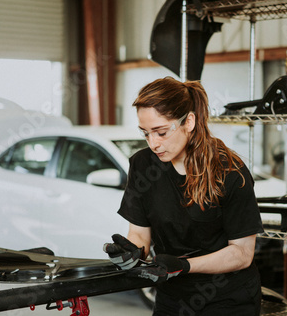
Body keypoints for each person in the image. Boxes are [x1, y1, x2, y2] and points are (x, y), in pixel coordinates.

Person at [104, 76, 264, 315]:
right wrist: (133, 252)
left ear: (189, 121)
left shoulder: (230, 171)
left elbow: (241, 253)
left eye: (160, 132)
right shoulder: (142, 165)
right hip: (173, 296)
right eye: (145, 133)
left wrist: (184, 266)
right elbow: (139, 233)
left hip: (227, 298)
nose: (153, 143)